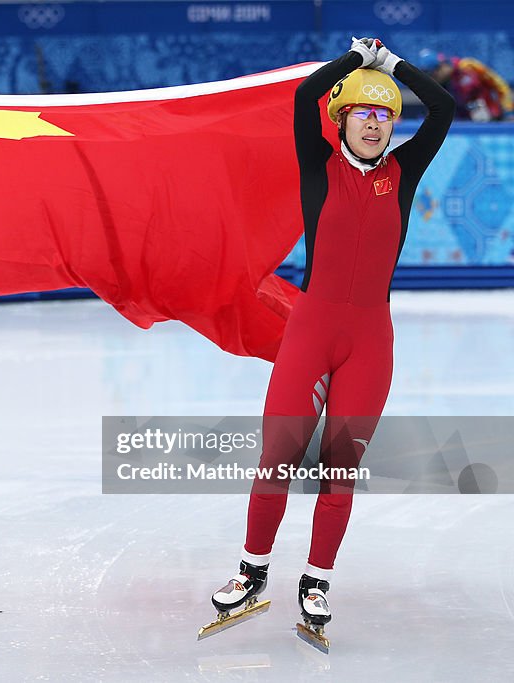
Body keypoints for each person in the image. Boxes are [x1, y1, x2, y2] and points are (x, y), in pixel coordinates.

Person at [205, 38, 454, 646]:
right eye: (363, 112)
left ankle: (316, 581)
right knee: (278, 455)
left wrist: (391, 68)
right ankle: (252, 570)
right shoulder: (319, 165)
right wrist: (354, 62)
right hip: (312, 332)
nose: (374, 124)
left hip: (370, 339)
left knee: (341, 466)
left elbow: (443, 108)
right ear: (342, 118)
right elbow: (302, 96)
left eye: (385, 114)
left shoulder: (403, 172)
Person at [416, 49, 513, 122]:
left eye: (433, 75)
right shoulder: (437, 85)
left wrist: (508, 111)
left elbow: (500, 86)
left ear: (442, 66)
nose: (433, 79)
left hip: (494, 120)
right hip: (463, 127)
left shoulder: (468, 66)